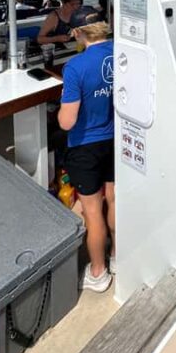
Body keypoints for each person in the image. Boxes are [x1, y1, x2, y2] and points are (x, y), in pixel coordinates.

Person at [58, 18, 115, 292]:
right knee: (114, 200)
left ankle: (98, 272)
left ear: (78, 32)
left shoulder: (75, 67)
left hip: (86, 145)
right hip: (116, 139)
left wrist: (59, 110)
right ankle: (116, 256)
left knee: (92, 211)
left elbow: (67, 122)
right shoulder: (121, 52)